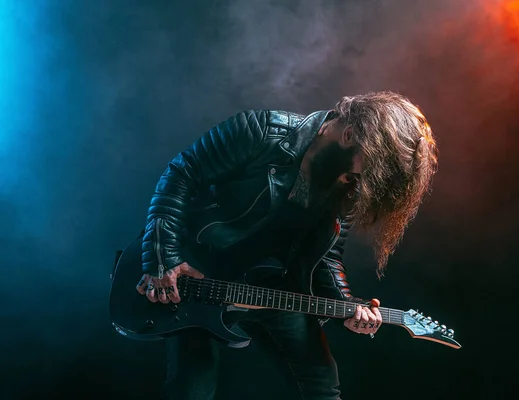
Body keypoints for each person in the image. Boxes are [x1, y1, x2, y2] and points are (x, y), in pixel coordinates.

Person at [135, 91, 438, 399]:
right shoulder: (260, 131)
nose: (358, 182)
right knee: (193, 387)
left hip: (270, 288)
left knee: (322, 385)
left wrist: (348, 306)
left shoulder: (347, 184)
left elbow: (327, 255)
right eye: (363, 170)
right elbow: (182, 173)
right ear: (348, 135)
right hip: (200, 277)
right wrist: (162, 257)